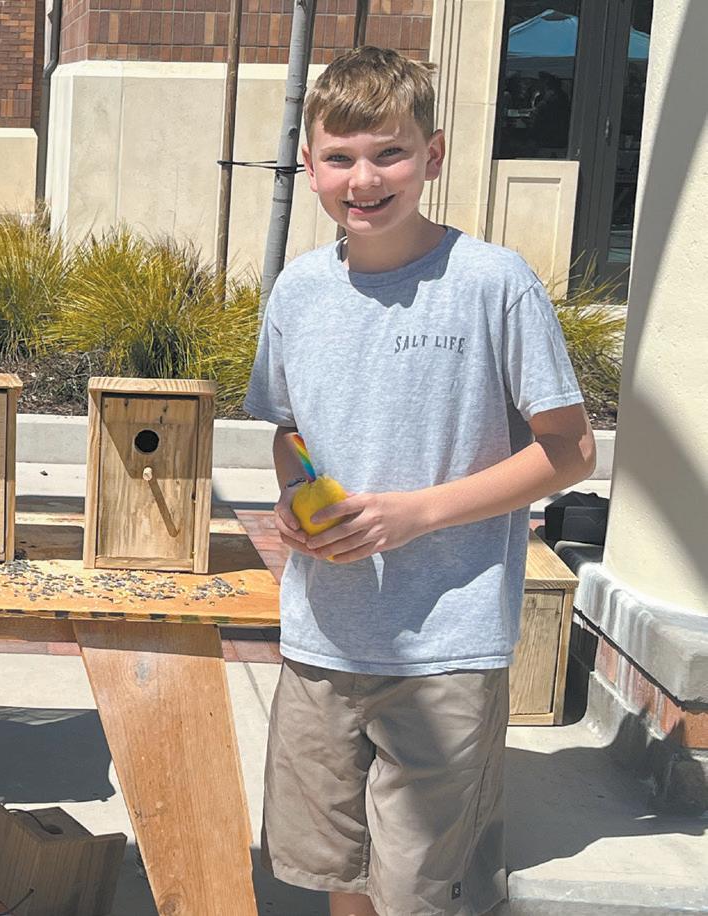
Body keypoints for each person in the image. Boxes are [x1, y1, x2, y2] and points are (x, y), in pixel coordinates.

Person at [245, 46, 595, 916]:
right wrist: (294, 496)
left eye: (389, 153)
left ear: (432, 156)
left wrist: (419, 514)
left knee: (418, 890)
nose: (364, 179)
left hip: (447, 644)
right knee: (339, 876)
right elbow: (291, 432)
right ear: (309, 165)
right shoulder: (298, 291)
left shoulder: (493, 284)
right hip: (323, 637)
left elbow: (571, 451)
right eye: (340, 157)